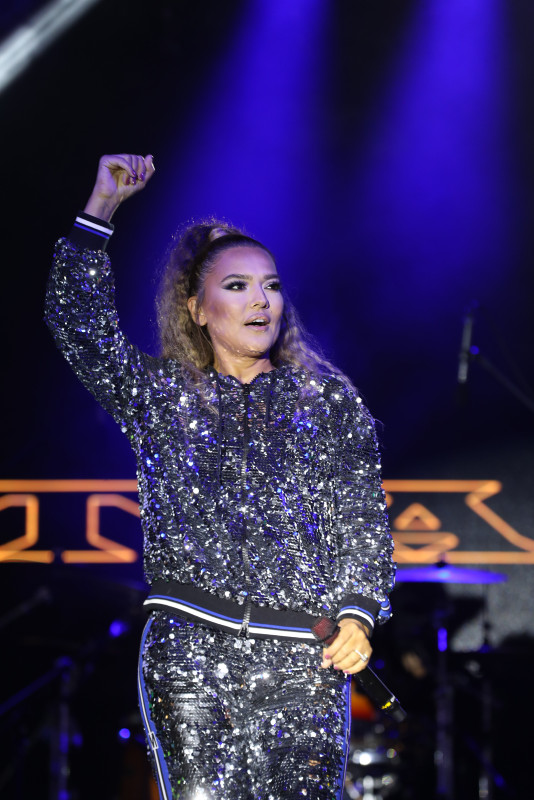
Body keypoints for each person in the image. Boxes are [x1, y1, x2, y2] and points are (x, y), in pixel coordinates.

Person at [45, 153, 396, 800]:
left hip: (303, 661)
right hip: (189, 658)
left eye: (271, 285)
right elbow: (79, 327)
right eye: (237, 286)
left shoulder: (328, 403)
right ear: (198, 309)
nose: (260, 300)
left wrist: (357, 616)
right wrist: (101, 208)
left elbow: (361, 522)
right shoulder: (161, 397)